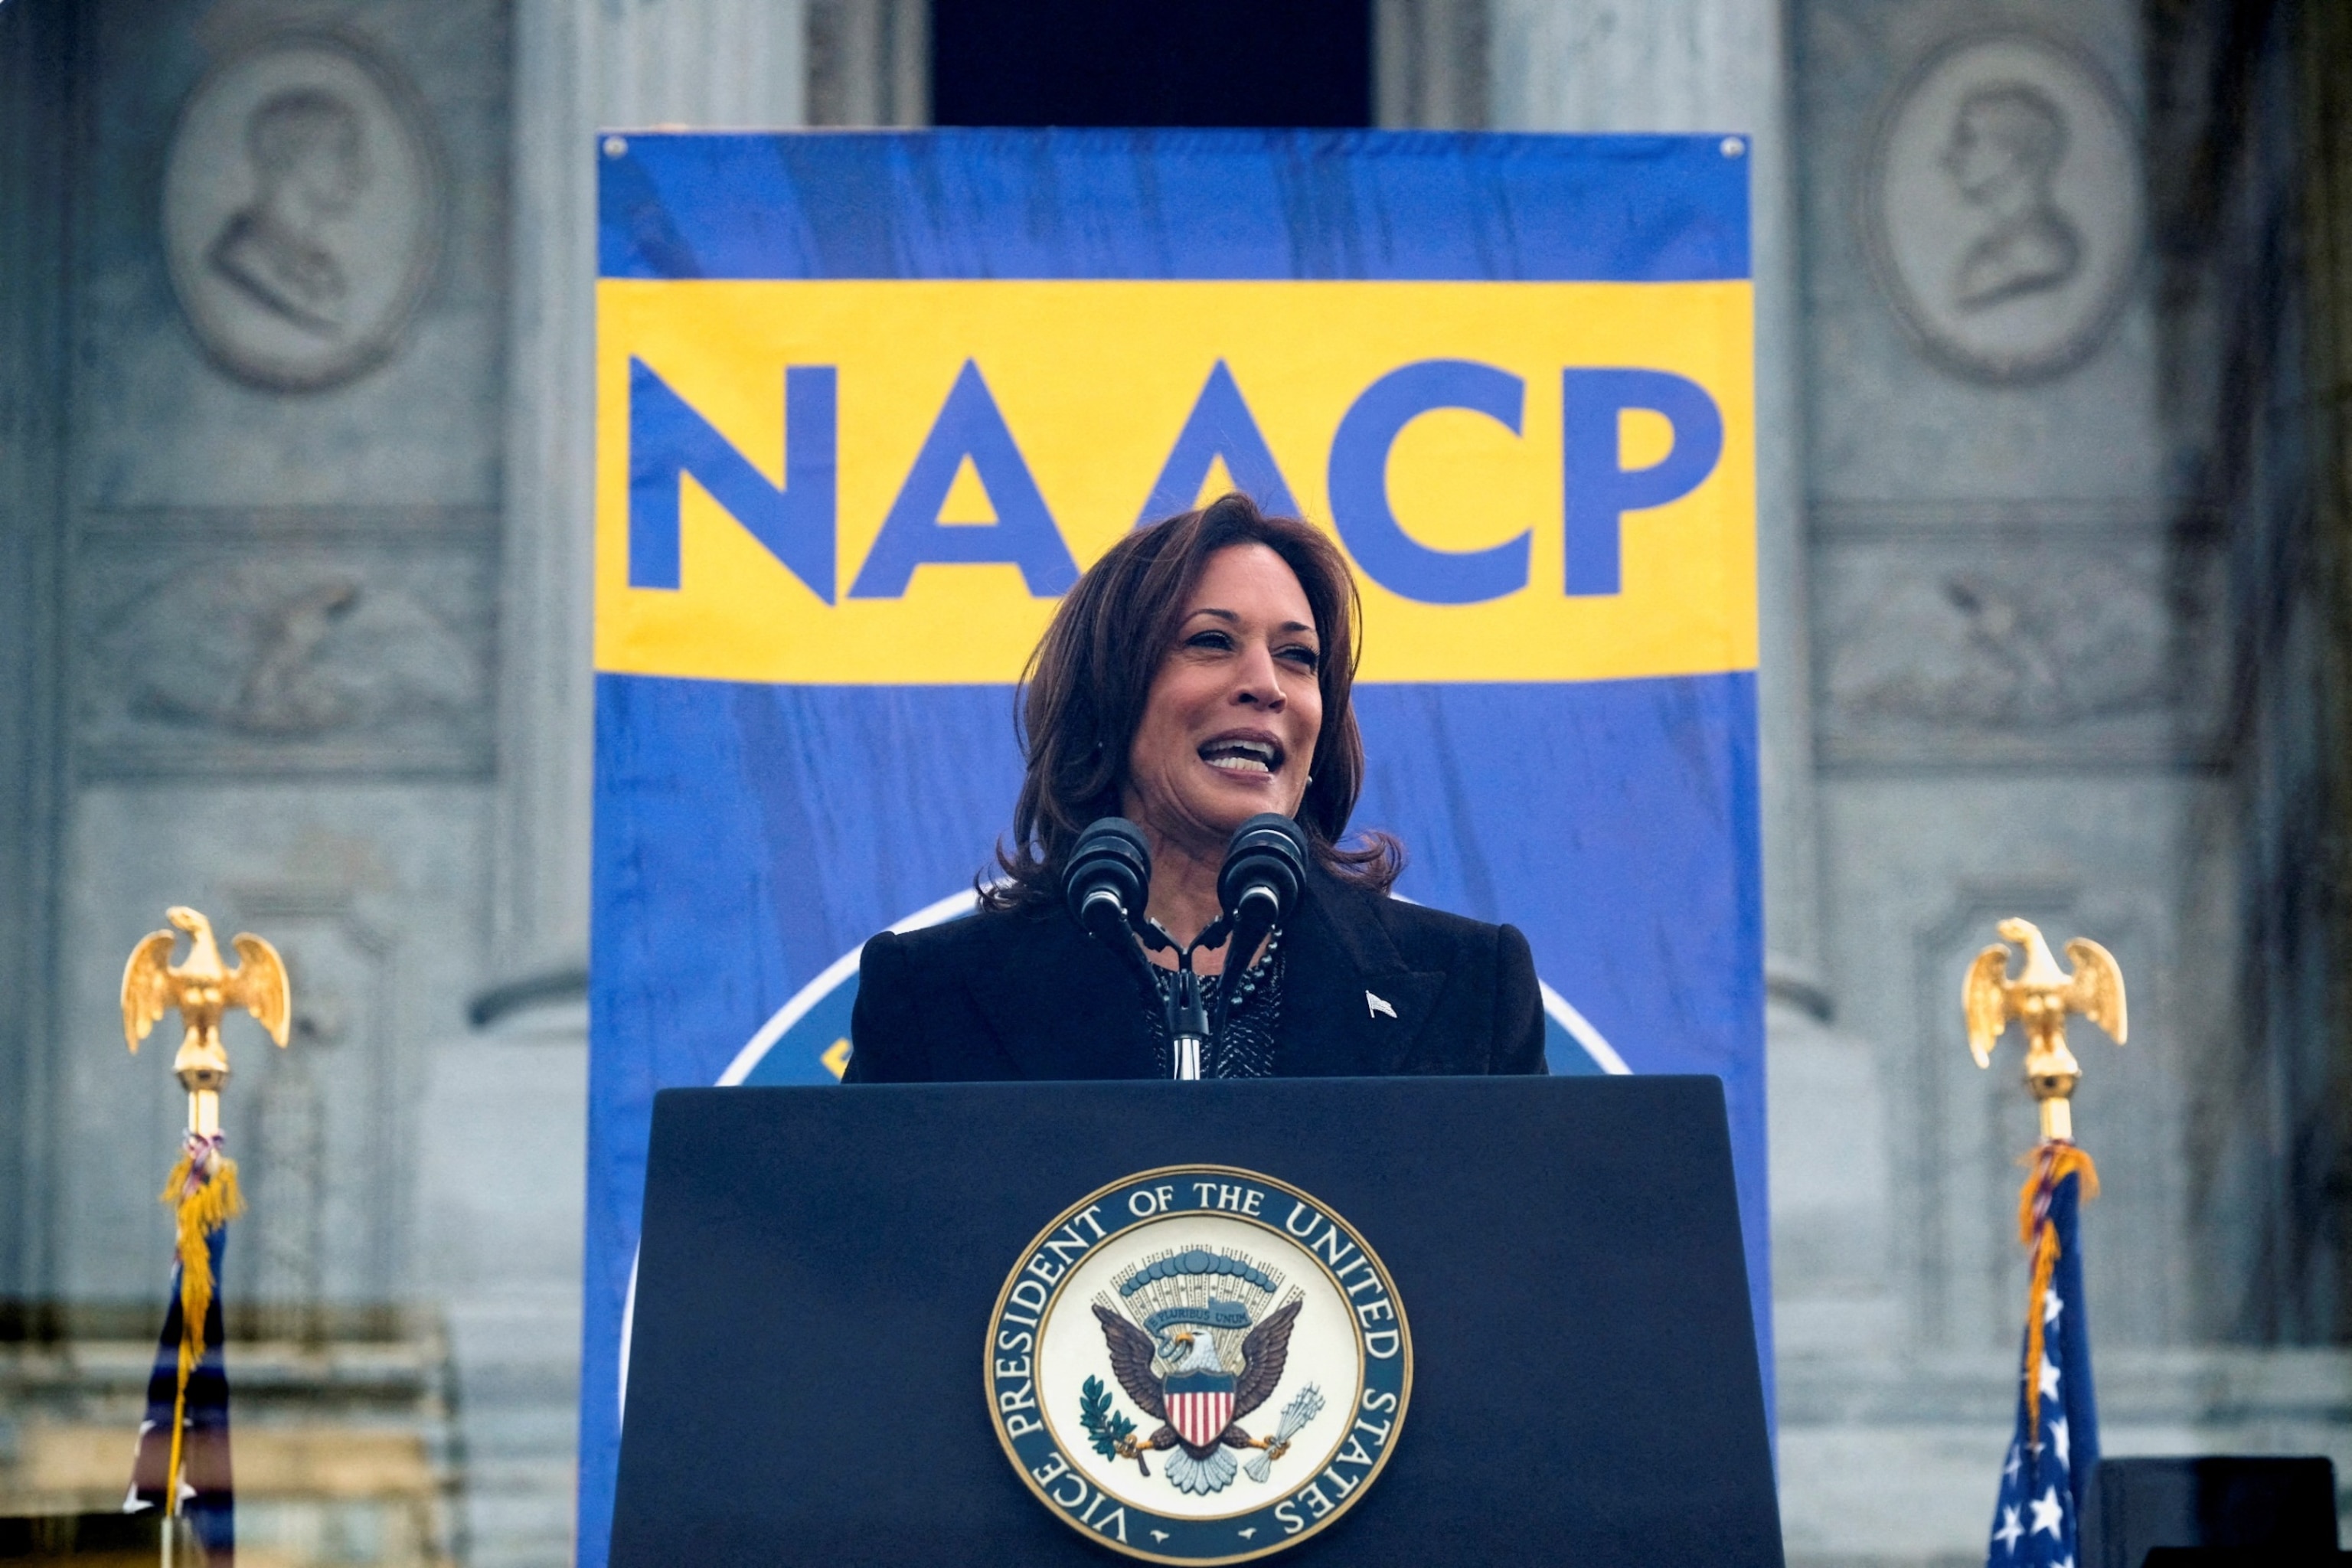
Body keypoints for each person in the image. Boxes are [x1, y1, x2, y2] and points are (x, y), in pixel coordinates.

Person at [844, 492, 1547, 1082]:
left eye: (1298, 657)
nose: (1267, 686)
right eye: (1211, 642)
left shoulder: (1471, 990)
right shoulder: (930, 998)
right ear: (1107, 698)